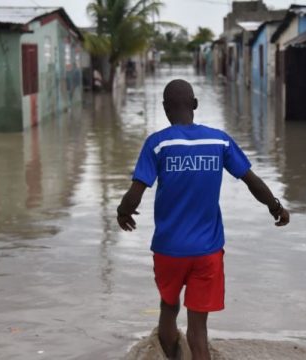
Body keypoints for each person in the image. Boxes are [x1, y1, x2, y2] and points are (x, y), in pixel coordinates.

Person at [116, 79, 289, 359]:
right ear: (195, 105)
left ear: (164, 108)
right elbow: (251, 181)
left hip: (168, 250)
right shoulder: (218, 140)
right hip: (207, 252)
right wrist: (275, 207)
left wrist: (123, 212)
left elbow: (135, 193)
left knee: (169, 310)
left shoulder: (158, 144)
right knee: (198, 330)